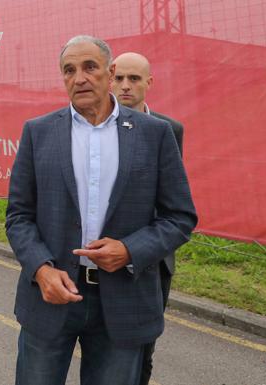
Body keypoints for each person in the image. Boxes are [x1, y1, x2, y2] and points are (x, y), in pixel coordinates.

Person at [5, 35, 197, 385]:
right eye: (69, 70)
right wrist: (41, 269)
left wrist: (130, 250)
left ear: (110, 74)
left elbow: (180, 217)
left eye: (89, 67)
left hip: (124, 302)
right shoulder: (38, 132)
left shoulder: (155, 134)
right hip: (50, 298)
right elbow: (19, 215)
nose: (79, 78)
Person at [111, 51, 185, 385]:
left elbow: (171, 198)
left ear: (149, 83)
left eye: (135, 79)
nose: (126, 86)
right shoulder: (93, 128)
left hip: (152, 261)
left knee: (143, 352)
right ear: (109, 80)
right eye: (120, 78)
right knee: (108, 350)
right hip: (105, 258)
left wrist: (142, 248)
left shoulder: (169, 130)